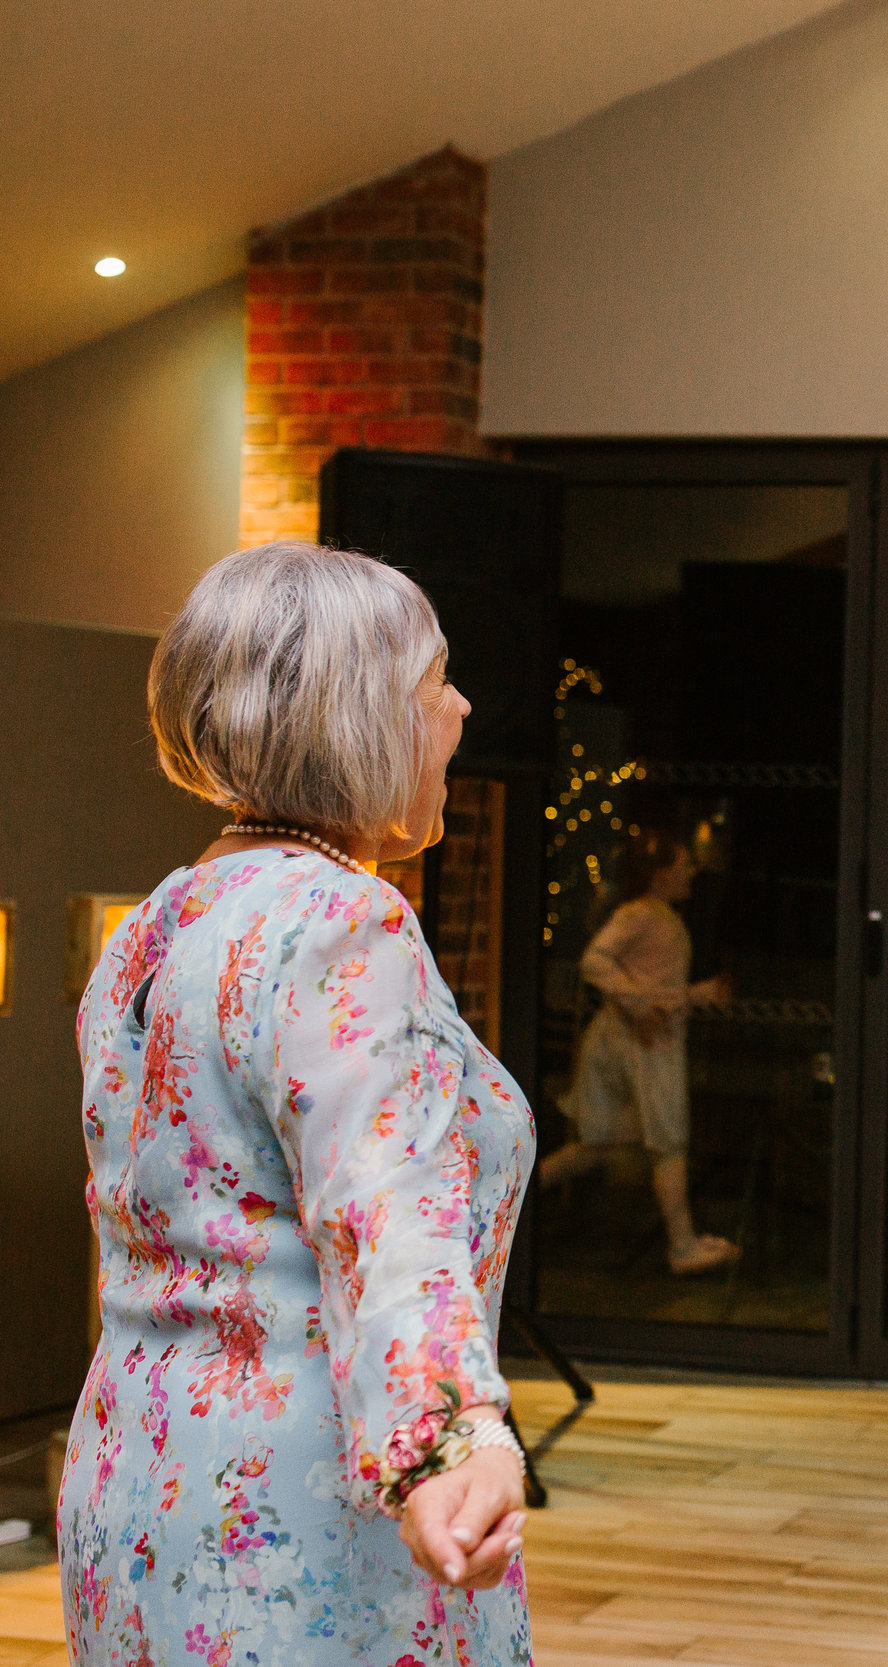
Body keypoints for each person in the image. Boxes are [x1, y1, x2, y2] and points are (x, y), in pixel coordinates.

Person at [61, 542, 531, 1664]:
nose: (461, 708)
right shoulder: (342, 924)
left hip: (131, 1477)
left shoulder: (153, 925)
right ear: (362, 715)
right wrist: (448, 1445)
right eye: (436, 681)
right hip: (301, 1513)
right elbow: (383, 1202)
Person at [538, 830, 738, 1274]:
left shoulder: (658, 917)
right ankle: (682, 1246)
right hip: (639, 1040)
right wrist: (638, 1004)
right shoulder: (641, 914)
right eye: (683, 865)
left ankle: (509, 1200)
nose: (690, 873)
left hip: (631, 1034)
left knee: (597, 1145)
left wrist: (697, 994)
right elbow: (595, 961)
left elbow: (656, 987)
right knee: (667, 1142)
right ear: (662, 874)